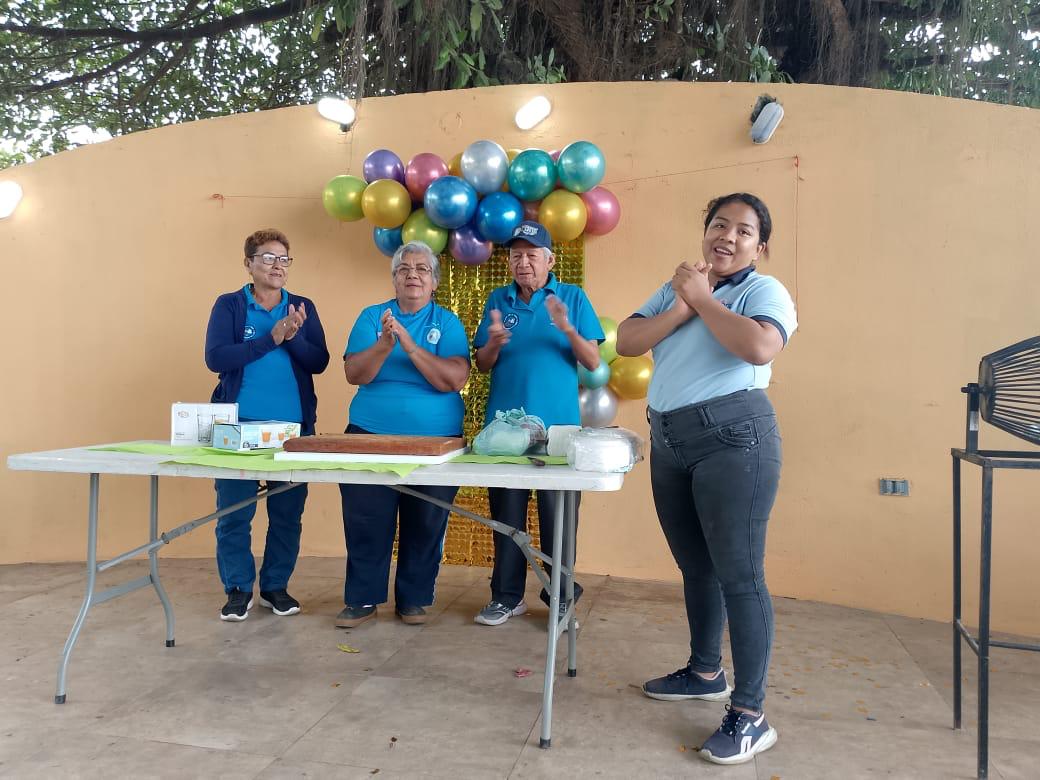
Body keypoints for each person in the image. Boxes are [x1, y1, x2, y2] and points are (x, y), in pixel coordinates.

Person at [616, 193, 797, 765]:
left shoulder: (763, 292)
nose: (728, 236)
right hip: (671, 441)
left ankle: (751, 714)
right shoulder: (678, 287)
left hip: (734, 440)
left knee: (740, 576)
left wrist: (701, 299)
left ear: (759, 247)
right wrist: (681, 306)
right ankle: (704, 672)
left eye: (743, 231)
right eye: (719, 224)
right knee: (696, 567)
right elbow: (627, 341)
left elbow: (759, 346)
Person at [471, 221, 604, 627]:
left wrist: (566, 327)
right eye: (516, 255)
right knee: (506, 518)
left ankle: (560, 597)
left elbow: (592, 361)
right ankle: (506, 597)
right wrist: (494, 343)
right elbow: (481, 364)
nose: (523, 262)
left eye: (531, 255)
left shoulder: (572, 297)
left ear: (550, 260)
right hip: (505, 433)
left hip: (559, 434)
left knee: (558, 520)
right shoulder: (499, 298)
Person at [336, 241, 471, 628]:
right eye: (404, 269)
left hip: (436, 441)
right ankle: (362, 599)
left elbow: (453, 379)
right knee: (366, 518)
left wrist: (410, 346)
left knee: (426, 520)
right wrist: (384, 344)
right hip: (369, 435)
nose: (413, 274)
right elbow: (354, 374)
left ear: (434, 282)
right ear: (394, 279)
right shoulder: (372, 317)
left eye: (422, 269)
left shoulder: (447, 323)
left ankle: (413, 598)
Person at [204, 228, 330, 621]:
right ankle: (238, 589)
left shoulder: (302, 306)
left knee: (287, 515)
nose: (278, 266)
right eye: (268, 257)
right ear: (249, 263)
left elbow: (320, 362)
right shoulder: (230, 305)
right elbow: (216, 358)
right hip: (236, 429)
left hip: (293, 433)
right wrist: (271, 339)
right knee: (234, 514)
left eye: (284, 259)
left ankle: (275, 587)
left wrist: (291, 336)